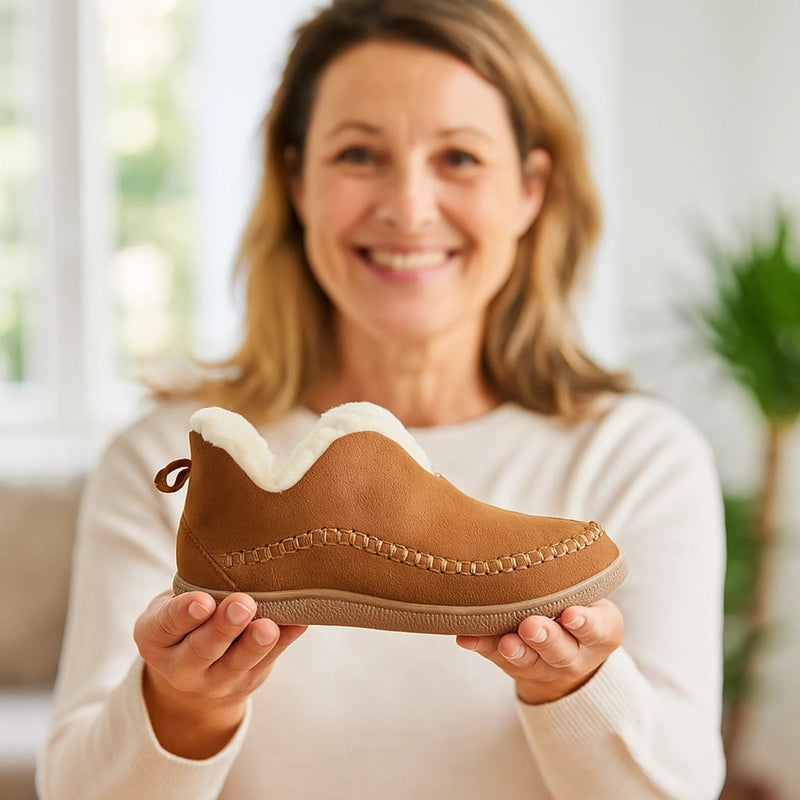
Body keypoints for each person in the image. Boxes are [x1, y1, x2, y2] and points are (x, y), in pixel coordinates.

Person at [37, 0, 726, 797]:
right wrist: (185, 705)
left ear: (530, 190)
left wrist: (573, 686)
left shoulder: (639, 459)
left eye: (459, 157)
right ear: (297, 182)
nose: (408, 208)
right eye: (359, 154)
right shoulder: (161, 457)